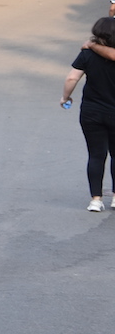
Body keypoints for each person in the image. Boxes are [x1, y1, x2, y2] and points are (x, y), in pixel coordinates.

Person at [63, 17, 115, 211]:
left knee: (96, 155)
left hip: (92, 111)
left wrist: (65, 97)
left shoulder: (87, 54)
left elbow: (72, 78)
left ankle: (96, 199)